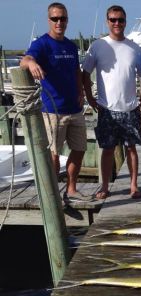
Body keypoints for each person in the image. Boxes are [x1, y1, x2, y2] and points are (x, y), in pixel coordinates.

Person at [21, 2, 89, 203]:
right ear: (49, 20)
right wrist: (32, 63)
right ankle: (52, 194)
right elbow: (25, 60)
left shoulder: (70, 45)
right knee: (53, 154)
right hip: (53, 110)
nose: (59, 22)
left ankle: (71, 189)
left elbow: (76, 71)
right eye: (55, 18)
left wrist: (81, 91)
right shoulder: (42, 44)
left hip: (75, 109)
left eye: (63, 18)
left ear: (67, 20)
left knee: (80, 149)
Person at [82, 5, 141, 200]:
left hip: (130, 108)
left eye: (121, 20)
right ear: (107, 21)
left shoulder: (134, 48)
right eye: (113, 20)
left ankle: (134, 186)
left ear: (125, 22)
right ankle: (105, 186)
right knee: (107, 149)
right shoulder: (98, 46)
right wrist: (90, 98)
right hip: (106, 109)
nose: (117, 23)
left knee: (131, 149)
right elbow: (85, 74)